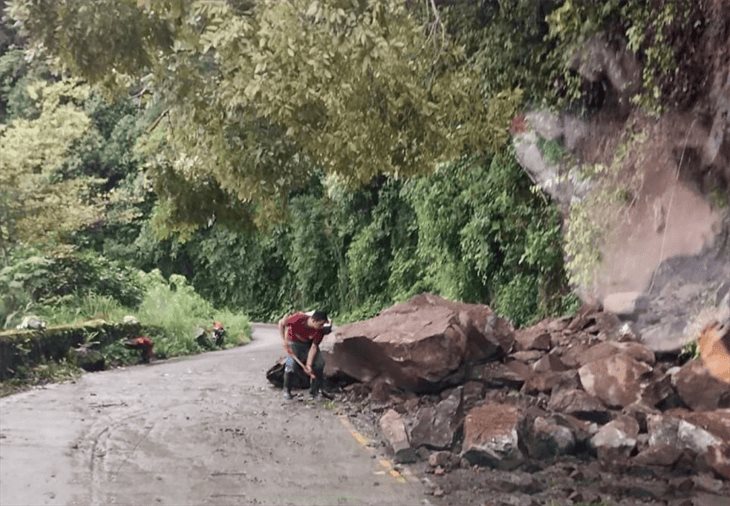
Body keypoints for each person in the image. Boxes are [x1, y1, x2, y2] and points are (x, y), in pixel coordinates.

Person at [278, 309, 329, 400]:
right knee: (290, 365)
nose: (322, 327)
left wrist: (308, 365)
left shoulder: (320, 331)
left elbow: (313, 347)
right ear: (313, 320)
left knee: (319, 363)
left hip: (308, 345)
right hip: (293, 343)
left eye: (323, 324)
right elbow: (281, 324)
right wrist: (284, 341)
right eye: (320, 324)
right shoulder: (298, 318)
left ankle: (315, 392)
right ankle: (286, 390)